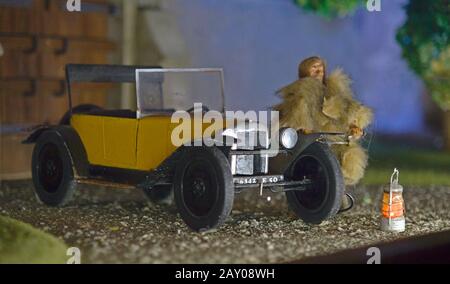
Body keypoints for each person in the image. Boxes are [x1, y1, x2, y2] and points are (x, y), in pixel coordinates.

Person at [273, 56, 373, 207]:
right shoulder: (301, 90)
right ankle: (314, 202)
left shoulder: (336, 88)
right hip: (312, 141)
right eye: (313, 67)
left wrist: (355, 125)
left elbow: (350, 110)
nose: (318, 70)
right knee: (315, 171)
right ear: (304, 70)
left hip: (337, 138)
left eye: (320, 67)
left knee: (350, 163)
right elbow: (294, 114)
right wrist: (300, 126)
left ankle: (334, 196)